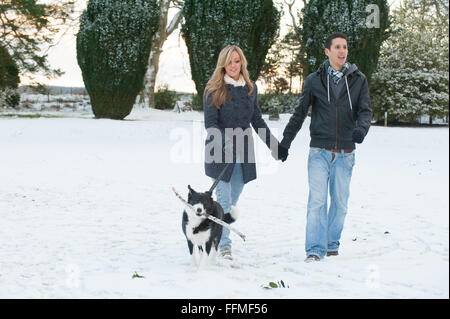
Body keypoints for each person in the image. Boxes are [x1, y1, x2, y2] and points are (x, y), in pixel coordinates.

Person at [277, 32, 373, 262]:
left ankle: (331, 243)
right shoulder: (314, 80)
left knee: (340, 204)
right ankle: (314, 249)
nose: (342, 51)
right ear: (327, 51)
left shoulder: (358, 80)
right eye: (337, 47)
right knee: (317, 202)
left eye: (345, 47)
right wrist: (285, 142)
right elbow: (300, 113)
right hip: (319, 151)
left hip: (345, 153)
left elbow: (365, 111)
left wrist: (361, 129)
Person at [203, 45, 279, 260]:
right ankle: (224, 245)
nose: (233, 65)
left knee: (230, 203)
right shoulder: (213, 89)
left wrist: (274, 146)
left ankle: (212, 227)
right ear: (223, 65)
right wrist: (224, 142)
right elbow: (210, 124)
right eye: (229, 62)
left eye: (237, 61)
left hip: (244, 153)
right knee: (224, 201)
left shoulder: (250, 89)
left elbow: (257, 120)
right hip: (218, 153)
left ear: (242, 63)